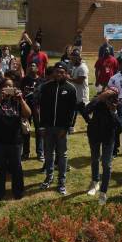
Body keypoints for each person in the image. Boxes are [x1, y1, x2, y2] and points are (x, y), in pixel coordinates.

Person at [0, 78, 31, 201]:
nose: (7, 89)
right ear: (0, 88)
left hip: (15, 141)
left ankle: (18, 191)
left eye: (10, 86)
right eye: (5, 86)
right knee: (0, 167)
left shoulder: (17, 101)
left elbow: (27, 114)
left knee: (16, 167)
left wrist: (21, 99)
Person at [38, 62, 77, 195]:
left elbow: (72, 111)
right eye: (57, 72)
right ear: (53, 73)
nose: (59, 74)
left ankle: (61, 181)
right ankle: (49, 177)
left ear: (66, 73)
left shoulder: (71, 89)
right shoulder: (46, 87)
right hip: (48, 127)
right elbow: (42, 108)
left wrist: (66, 128)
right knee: (48, 154)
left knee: (62, 155)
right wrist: (42, 126)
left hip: (62, 129)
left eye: (62, 72)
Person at [84, 86, 122, 205]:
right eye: (108, 94)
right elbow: (86, 111)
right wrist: (100, 97)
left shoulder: (118, 105)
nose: (109, 97)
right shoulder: (98, 101)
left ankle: (103, 192)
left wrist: (113, 111)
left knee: (106, 164)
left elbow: (121, 126)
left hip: (108, 138)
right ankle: (95, 182)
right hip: (94, 134)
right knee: (94, 159)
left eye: (113, 95)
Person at [21, 63, 43, 161]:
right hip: (27, 107)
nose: (31, 67)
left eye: (34, 65)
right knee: (26, 129)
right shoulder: (25, 79)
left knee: (39, 130)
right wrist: (24, 92)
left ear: (37, 68)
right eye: (30, 65)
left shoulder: (42, 80)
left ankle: (40, 152)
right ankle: (26, 152)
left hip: (37, 107)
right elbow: (20, 92)